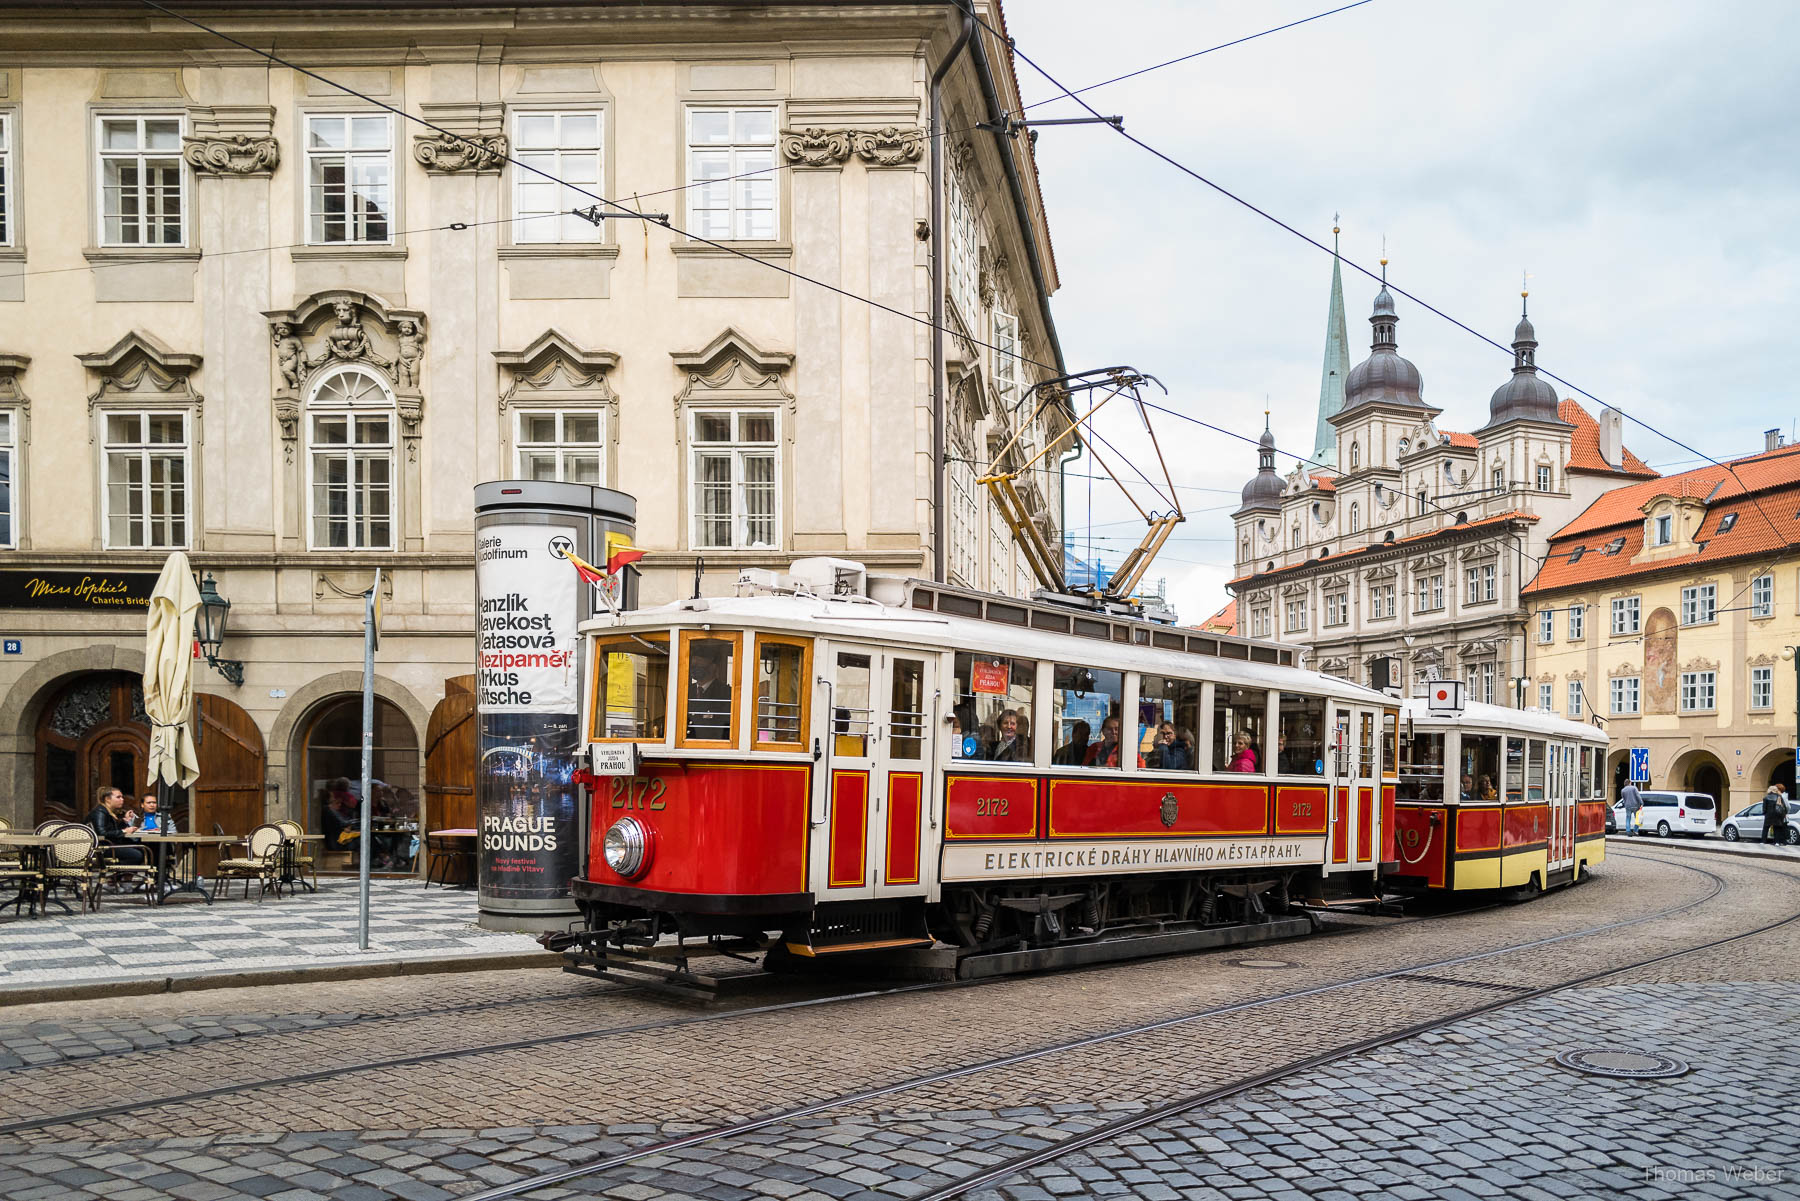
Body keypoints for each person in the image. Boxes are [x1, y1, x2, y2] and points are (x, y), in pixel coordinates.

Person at [87, 786, 149, 868]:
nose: (122, 799)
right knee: (137, 855)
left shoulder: (108, 811)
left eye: (122, 797)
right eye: (118, 797)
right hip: (102, 847)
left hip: (110, 844)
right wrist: (124, 831)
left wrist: (125, 821)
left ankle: (124, 875)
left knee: (143, 849)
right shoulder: (100, 812)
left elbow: (112, 829)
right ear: (108, 799)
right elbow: (101, 832)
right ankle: (115, 874)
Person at [685, 644, 732, 740]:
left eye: (699, 665)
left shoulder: (726, 693)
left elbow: (727, 726)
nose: (694, 669)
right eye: (693, 665)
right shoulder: (685, 691)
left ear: (713, 666)